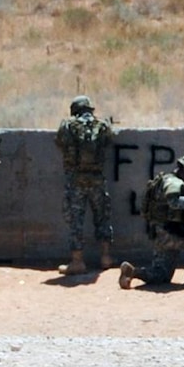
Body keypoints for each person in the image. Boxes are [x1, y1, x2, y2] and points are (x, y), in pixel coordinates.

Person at [118, 155, 184, 289]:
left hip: (160, 234)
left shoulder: (163, 179)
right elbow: (174, 202)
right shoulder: (174, 183)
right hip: (171, 234)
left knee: (161, 274)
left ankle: (133, 272)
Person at [53, 95, 116, 275]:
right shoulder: (102, 126)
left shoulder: (68, 125)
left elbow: (59, 143)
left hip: (76, 180)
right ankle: (106, 257)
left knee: (76, 220)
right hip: (97, 179)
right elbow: (110, 141)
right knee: (102, 217)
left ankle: (77, 261)